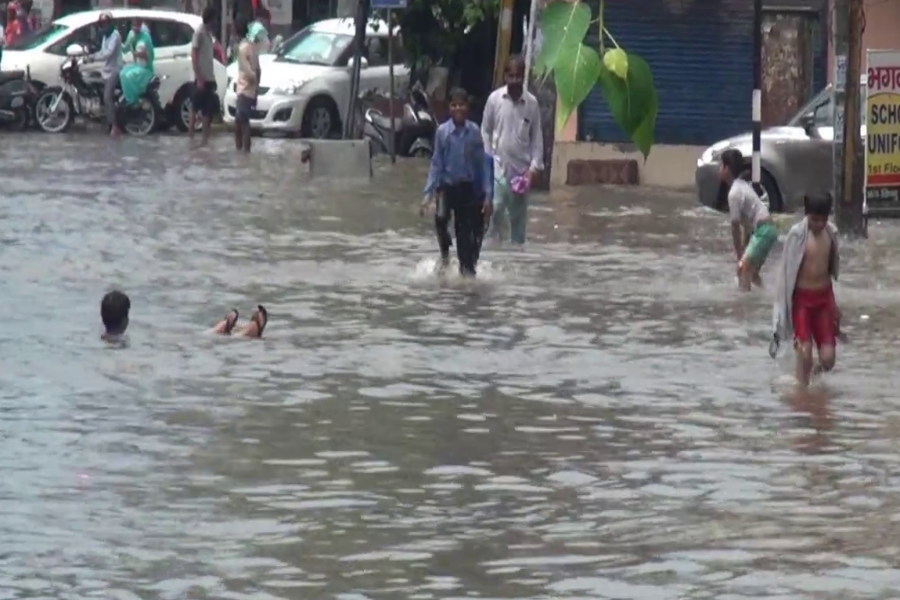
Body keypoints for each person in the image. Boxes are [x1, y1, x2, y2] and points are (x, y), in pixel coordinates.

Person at [772, 193, 842, 388]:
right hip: (801, 302)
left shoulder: (831, 234)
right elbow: (786, 272)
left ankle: (813, 379)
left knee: (828, 359)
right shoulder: (797, 235)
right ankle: (802, 399)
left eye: (823, 219)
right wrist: (781, 310)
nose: (819, 224)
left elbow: (831, 272)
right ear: (806, 214)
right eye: (814, 219)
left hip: (823, 300)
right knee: (805, 353)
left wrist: (834, 306)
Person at [421, 87, 491, 277]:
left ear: (467, 107)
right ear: (449, 108)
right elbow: (436, 163)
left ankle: (464, 280)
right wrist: (428, 194)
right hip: (446, 187)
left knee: (464, 239)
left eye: (461, 105)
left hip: (466, 190)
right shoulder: (442, 133)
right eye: (454, 105)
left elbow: (481, 163)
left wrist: (487, 194)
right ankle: (444, 256)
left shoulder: (474, 132)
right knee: (441, 219)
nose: (458, 108)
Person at [481, 54, 544, 244]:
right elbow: (485, 130)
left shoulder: (532, 104)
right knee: (496, 210)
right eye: (511, 76)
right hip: (498, 168)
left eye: (519, 76)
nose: (515, 80)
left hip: (521, 173)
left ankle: (516, 260)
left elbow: (537, 139)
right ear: (505, 76)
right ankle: (494, 252)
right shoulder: (495, 99)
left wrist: (533, 170)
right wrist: (487, 159)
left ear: (523, 76)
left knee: (518, 221)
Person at [719, 149, 778, 290]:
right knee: (750, 273)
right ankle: (765, 296)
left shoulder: (734, 193)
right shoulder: (742, 185)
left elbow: (735, 227)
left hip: (764, 231)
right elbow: (747, 226)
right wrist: (744, 250)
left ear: (727, 168)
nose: (719, 169)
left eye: (721, 165)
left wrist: (740, 254)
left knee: (743, 270)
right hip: (768, 230)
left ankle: (744, 306)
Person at [90, 12, 124, 137]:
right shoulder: (105, 36)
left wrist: (94, 58)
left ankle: (115, 126)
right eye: (102, 23)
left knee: (107, 97)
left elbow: (108, 53)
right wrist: (91, 55)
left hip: (115, 70)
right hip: (106, 70)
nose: (104, 26)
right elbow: (102, 51)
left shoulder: (115, 36)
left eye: (106, 23)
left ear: (111, 23)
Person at [189, 6, 218, 144]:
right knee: (194, 108)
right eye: (214, 19)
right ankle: (191, 138)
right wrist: (199, 77)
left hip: (209, 77)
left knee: (207, 110)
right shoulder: (199, 33)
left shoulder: (208, 34)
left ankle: (204, 140)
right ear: (210, 19)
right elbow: (194, 55)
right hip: (201, 78)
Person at [233, 16, 259, 152]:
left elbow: (249, 71)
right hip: (249, 90)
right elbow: (258, 69)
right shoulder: (252, 47)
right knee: (241, 122)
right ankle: (243, 152)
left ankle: (243, 151)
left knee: (241, 123)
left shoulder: (243, 48)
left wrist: (252, 79)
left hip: (244, 89)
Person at [119, 19, 155, 106]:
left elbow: (151, 56)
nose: (135, 28)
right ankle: (128, 98)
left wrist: (139, 54)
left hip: (146, 68)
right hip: (137, 65)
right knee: (122, 74)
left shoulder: (146, 37)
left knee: (129, 76)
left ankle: (133, 101)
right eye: (133, 25)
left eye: (137, 25)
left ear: (141, 26)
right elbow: (125, 49)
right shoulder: (131, 35)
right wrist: (118, 40)